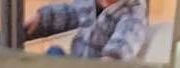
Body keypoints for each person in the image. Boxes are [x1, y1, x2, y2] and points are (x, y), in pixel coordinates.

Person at [19, 0, 149, 61]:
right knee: (54, 53)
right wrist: (43, 18)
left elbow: (126, 38)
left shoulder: (133, 14)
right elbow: (71, 13)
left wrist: (112, 58)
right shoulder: (90, 3)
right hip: (78, 64)